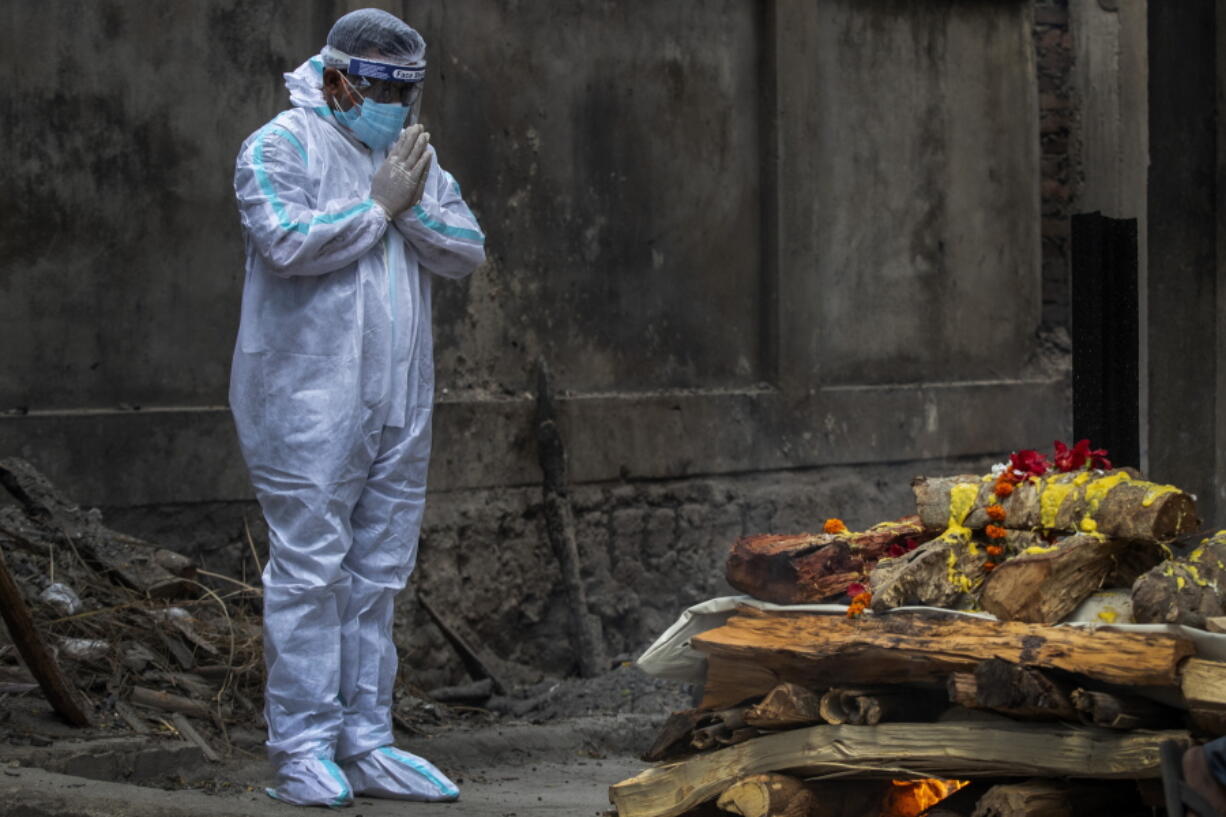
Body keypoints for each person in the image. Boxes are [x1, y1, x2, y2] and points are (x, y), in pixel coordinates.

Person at [229, 8, 485, 807]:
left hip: (398, 398)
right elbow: (287, 240)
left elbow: (466, 246)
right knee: (310, 568)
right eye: (376, 86)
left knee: (377, 573)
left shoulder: (408, 158)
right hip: (307, 398)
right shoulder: (279, 146)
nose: (390, 104)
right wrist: (378, 209)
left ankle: (367, 739)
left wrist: (404, 200)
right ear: (336, 77)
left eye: (404, 91)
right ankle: (302, 747)